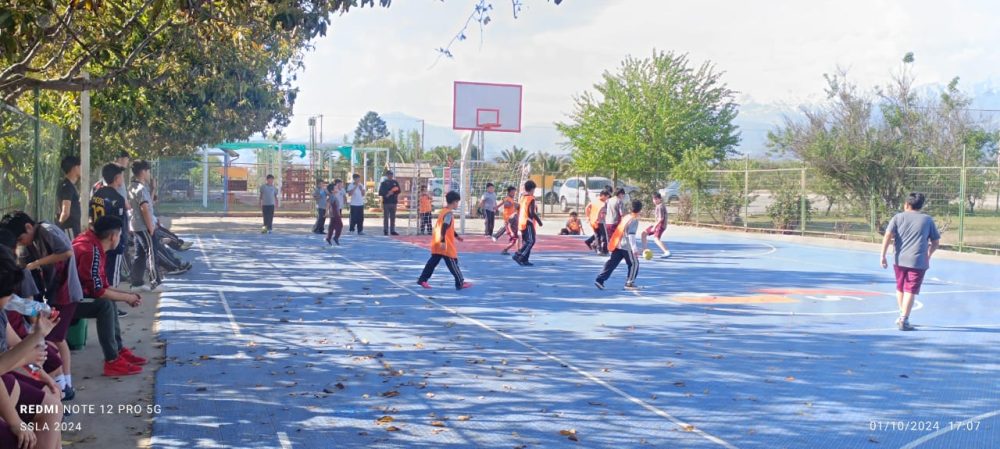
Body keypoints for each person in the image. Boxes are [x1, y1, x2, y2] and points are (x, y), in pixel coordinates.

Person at [0, 211, 82, 401]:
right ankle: (63, 386)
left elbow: (24, 307)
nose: (23, 245)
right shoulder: (15, 278)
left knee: (54, 344)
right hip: (15, 363)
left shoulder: (44, 231)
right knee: (52, 346)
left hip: (64, 293)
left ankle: (64, 385)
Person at [0, 248, 64, 449]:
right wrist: (16, 423)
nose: (11, 300)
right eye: (8, 294)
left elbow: (16, 346)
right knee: (21, 438)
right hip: (4, 380)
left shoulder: (1, 311)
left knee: (53, 406)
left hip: (6, 379)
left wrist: (42, 375)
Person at [72, 215, 147, 376]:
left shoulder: (92, 244)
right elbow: (97, 291)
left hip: (74, 295)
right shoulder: (90, 251)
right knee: (105, 305)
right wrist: (127, 298)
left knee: (109, 300)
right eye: (120, 235)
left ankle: (118, 350)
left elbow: (101, 286)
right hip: (66, 301)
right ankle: (112, 361)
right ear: (113, 237)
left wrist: (127, 294)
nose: (120, 239)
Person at [879, 192, 941, 331]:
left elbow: (888, 236)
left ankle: (902, 315)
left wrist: (882, 255)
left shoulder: (898, 217)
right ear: (921, 205)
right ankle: (904, 318)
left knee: (900, 287)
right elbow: (935, 242)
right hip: (918, 260)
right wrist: (928, 254)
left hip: (899, 259)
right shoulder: (927, 220)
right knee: (910, 289)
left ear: (906, 204)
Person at [417, 191, 472, 290]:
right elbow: (444, 227)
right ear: (454, 202)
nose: (457, 204)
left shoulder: (443, 211)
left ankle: (422, 280)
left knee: (432, 263)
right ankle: (460, 283)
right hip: (444, 244)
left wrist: (456, 236)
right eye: (457, 202)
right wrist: (443, 241)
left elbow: (448, 227)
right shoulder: (449, 214)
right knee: (453, 262)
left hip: (437, 241)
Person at [90, 163, 129, 287]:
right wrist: (121, 241)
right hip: (112, 242)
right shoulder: (118, 198)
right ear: (117, 178)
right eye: (122, 176)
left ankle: (105, 297)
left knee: (100, 272)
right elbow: (119, 223)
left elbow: (91, 216)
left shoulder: (96, 195)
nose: (123, 179)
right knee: (113, 275)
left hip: (97, 239)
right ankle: (112, 302)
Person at [128, 160, 165, 291]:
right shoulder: (140, 188)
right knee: (151, 252)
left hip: (136, 226)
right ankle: (156, 282)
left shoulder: (134, 186)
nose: (149, 174)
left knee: (140, 254)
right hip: (143, 226)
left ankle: (136, 283)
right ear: (143, 172)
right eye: (148, 171)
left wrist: (153, 189)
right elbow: (144, 208)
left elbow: (148, 204)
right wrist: (151, 227)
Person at [595, 200, 642, 291]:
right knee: (634, 263)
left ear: (630, 208)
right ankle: (630, 283)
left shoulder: (626, 217)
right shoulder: (634, 220)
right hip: (626, 246)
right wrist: (635, 249)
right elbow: (631, 235)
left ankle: (600, 280)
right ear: (640, 209)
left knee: (612, 263)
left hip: (618, 243)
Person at [512, 180, 543, 266]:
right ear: (532, 189)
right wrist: (539, 221)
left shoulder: (522, 198)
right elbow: (531, 212)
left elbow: (518, 208)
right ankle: (519, 255)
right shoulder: (531, 198)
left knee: (526, 241)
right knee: (531, 241)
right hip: (527, 222)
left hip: (521, 221)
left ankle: (525, 260)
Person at [57, 155, 82, 239]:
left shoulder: (70, 185)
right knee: (72, 251)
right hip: (70, 229)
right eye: (80, 166)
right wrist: (58, 227)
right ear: (74, 168)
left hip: (74, 228)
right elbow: (65, 212)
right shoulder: (67, 187)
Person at [641, 193, 672, 258]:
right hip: (657, 224)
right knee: (643, 233)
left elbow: (661, 218)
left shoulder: (660, 206)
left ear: (660, 199)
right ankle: (645, 250)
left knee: (656, 239)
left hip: (661, 226)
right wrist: (654, 225)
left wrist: (654, 227)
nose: (654, 200)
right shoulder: (658, 206)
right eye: (653, 199)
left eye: (656, 199)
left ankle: (667, 252)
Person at [584, 190, 611, 254]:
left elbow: (587, 207)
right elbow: (601, 212)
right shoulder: (603, 204)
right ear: (603, 196)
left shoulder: (594, 201)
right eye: (607, 197)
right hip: (600, 221)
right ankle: (604, 249)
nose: (607, 198)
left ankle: (598, 249)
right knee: (604, 235)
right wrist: (601, 218)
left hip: (593, 221)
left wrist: (588, 216)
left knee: (597, 235)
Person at [378, 170, 401, 236]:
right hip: (386, 202)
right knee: (386, 217)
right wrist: (387, 194)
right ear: (387, 175)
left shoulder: (395, 182)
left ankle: (392, 230)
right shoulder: (384, 183)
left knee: (393, 217)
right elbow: (381, 192)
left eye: (391, 174)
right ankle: (385, 230)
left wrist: (393, 192)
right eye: (389, 174)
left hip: (393, 202)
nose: (390, 176)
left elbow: (399, 190)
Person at [604, 188, 626, 255]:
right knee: (618, 237)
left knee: (610, 237)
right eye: (623, 195)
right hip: (615, 221)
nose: (623, 196)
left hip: (608, 221)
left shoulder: (608, 200)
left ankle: (609, 249)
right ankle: (616, 251)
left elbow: (605, 210)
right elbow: (621, 213)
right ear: (620, 194)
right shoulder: (619, 201)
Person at [325, 180, 345, 246]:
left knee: (332, 226)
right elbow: (328, 203)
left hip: (334, 213)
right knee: (340, 225)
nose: (337, 189)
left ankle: (328, 238)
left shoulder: (333, 195)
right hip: (334, 213)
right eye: (335, 188)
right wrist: (326, 212)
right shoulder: (332, 196)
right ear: (332, 191)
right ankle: (336, 237)